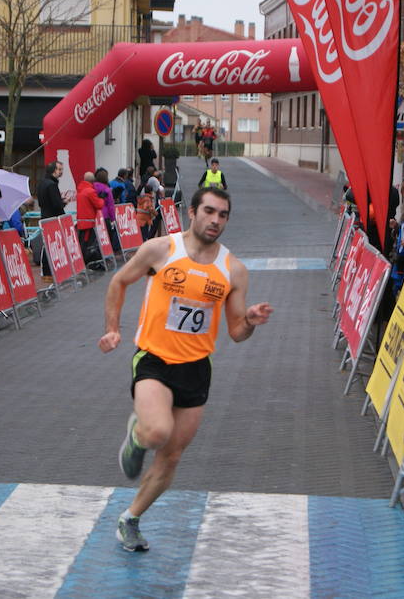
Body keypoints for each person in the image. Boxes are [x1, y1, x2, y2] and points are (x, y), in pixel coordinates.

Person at [98, 187, 273, 552]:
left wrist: (251, 321)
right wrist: (113, 328)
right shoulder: (160, 250)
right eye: (209, 211)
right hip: (153, 359)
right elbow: (119, 281)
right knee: (158, 431)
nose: (215, 220)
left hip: (196, 368)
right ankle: (138, 435)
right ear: (191, 212)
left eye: (223, 215)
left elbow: (237, 333)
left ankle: (130, 518)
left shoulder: (233, 270)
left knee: (172, 456)